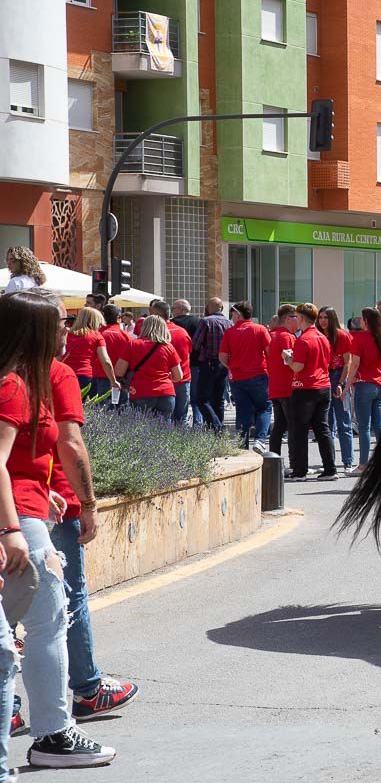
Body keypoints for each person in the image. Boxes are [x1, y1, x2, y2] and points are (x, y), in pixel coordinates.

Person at [0, 289, 116, 768]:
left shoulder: (25, 377)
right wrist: (11, 531)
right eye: (59, 324)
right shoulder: (18, 383)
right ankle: (52, 734)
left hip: (26, 510)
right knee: (44, 624)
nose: (68, 331)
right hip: (17, 521)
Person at [47, 342, 139, 724]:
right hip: (49, 502)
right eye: (60, 323)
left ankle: (12, 707)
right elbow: (70, 442)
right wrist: (88, 503)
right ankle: (87, 690)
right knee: (69, 597)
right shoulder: (55, 373)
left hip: (24, 501)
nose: (66, 330)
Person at [283, 303, 338, 481]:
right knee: (323, 428)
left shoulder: (303, 339)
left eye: (297, 317)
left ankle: (300, 471)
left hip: (305, 387)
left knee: (300, 430)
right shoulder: (322, 338)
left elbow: (298, 366)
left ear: (301, 318)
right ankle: (330, 469)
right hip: (324, 386)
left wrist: (287, 358)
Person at [219, 301, 271, 451]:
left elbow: (222, 356)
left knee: (242, 410)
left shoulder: (230, 332)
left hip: (237, 377)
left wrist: (231, 367)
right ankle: (260, 440)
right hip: (259, 375)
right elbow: (270, 351)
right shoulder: (260, 329)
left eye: (233, 313)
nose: (231, 317)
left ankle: (243, 445)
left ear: (238, 314)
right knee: (264, 408)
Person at [344, 307, 381, 476]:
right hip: (380, 383)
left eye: (362, 319)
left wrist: (347, 386)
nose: (360, 321)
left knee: (364, 427)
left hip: (364, 384)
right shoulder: (380, 337)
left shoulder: (359, 337)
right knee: (379, 426)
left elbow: (354, 364)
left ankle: (363, 464)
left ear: (366, 321)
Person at [114, 316, 183, 417]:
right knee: (164, 430)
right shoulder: (168, 347)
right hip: (165, 392)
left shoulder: (133, 344)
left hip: (140, 391)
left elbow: (119, 371)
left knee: (140, 428)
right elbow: (178, 376)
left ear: (144, 327)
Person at [317, 307, 354, 472]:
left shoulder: (342, 335)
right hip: (323, 376)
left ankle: (348, 461)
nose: (323, 320)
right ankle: (329, 463)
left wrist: (341, 383)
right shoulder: (318, 335)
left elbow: (348, 362)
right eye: (320, 317)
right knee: (326, 423)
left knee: (344, 422)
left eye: (326, 317)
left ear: (332, 319)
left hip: (338, 375)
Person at [192, 298, 232, 430]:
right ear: (221, 308)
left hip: (209, 363)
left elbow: (196, 344)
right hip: (224, 364)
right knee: (219, 399)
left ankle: (217, 427)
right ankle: (217, 432)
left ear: (209, 307)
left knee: (202, 399)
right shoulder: (229, 323)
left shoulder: (206, 321)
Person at [150, 301, 192, 425]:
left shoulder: (152, 334)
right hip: (182, 379)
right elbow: (188, 352)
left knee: (160, 421)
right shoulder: (182, 332)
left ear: (156, 314)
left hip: (160, 382)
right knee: (181, 419)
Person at [62, 307, 118, 399]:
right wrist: (113, 380)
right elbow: (106, 361)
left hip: (65, 374)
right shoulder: (96, 336)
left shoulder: (67, 334)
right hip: (85, 376)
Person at [266, 304, 298, 457]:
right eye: (296, 317)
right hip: (287, 386)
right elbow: (291, 362)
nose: (299, 321)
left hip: (275, 386)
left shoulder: (272, 335)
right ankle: (294, 462)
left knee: (279, 426)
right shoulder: (287, 337)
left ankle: (274, 459)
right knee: (292, 426)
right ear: (287, 319)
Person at [170, 299, 203, 425]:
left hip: (175, 366)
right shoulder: (198, 322)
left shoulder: (171, 324)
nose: (172, 311)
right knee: (195, 398)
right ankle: (198, 425)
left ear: (181, 310)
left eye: (174, 308)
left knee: (175, 400)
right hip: (195, 364)